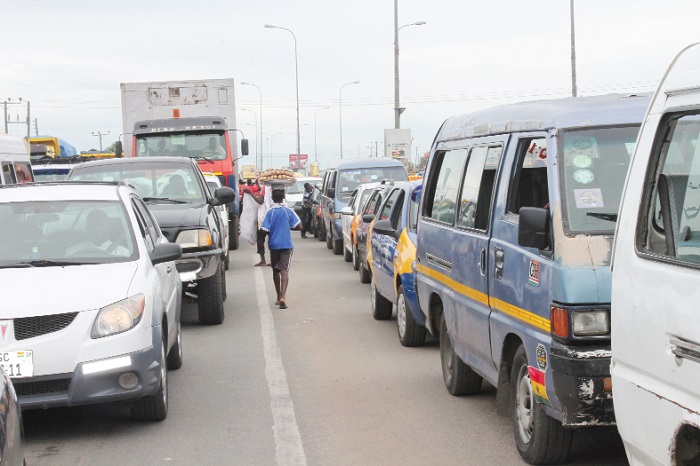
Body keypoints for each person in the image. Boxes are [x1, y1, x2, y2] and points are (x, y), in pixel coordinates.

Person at [260, 189, 301, 309]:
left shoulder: (269, 212)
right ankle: (283, 296)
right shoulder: (288, 211)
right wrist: (288, 227)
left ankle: (278, 297)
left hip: (274, 245)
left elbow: (263, 230)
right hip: (286, 245)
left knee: (275, 270)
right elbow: (299, 226)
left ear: (272, 197)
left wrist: (261, 243)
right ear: (284, 197)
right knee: (284, 270)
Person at [244, 184, 273, 266]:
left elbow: (260, 201)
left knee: (260, 239)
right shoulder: (273, 189)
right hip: (273, 217)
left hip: (264, 218)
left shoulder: (265, 188)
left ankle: (263, 260)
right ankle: (273, 259)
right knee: (272, 239)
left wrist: (250, 192)